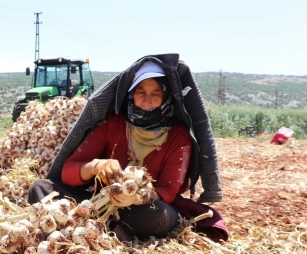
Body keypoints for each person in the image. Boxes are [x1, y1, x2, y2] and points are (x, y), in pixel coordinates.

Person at [29, 55, 228, 242]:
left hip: (143, 208)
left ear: (167, 97)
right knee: (41, 188)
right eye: (141, 91)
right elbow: (68, 172)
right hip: (98, 202)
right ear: (131, 94)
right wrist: (95, 166)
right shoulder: (112, 124)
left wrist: (139, 196)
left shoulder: (178, 136)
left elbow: (168, 188)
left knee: (155, 216)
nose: (146, 99)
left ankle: (96, 228)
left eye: (155, 93)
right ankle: (102, 227)